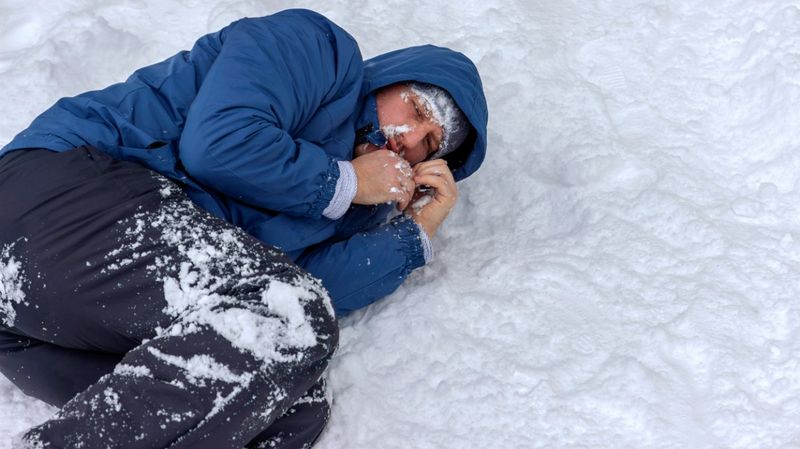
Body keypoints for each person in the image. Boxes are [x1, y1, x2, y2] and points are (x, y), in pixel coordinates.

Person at [0, 8, 487, 449]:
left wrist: (415, 230)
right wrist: (347, 182)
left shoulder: (346, 207)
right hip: (58, 194)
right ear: (389, 80)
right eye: (418, 112)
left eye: (430, 145)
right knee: (288, 311)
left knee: (291, 408)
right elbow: (217, 144)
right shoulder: (319, 50)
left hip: (40, 327)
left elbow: (307, 295)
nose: (410, 141)